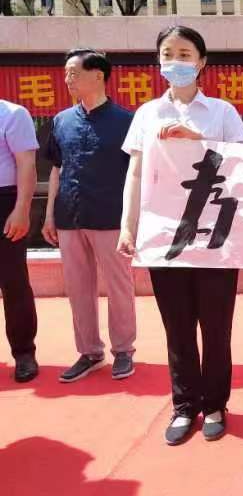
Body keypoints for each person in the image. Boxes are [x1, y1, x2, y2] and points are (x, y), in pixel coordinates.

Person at [118, 25, 243, 445]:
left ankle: (215, 404)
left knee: (215, 326)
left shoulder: (222, 113)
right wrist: (128, 226)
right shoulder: (147, 114)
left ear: (201, 62)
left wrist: (200, 140)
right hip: (165, 236)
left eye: (185, 54)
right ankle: (184, 406)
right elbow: (136, 173)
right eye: (168, 54)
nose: (175, 61)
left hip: (215, 236)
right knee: (176, 326)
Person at [43, 49, 137, 383]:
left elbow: (137, 174)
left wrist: (132, 221)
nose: (67, 79)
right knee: (77, 288)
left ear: (98, 75)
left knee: (119, 286)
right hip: (70, 216)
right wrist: (50, 215)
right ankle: (89, 351)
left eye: (74, 72)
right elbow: (57, 169)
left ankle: (123, 350)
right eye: (66, 73)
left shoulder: (127, 122)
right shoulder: (61, 121)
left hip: (111, 216)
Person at [0, 98, 39, 383]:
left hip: (4, 202)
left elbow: (26, 163)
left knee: (13, 282)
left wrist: (22, 209)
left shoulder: (13, 114)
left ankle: (24, 352)